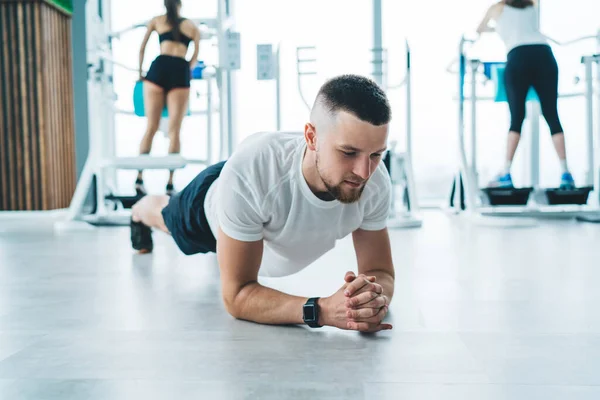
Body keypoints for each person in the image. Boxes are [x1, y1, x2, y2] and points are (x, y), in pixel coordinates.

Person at [130, 74, 395, 333]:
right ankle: (141, 209)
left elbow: (380, 271)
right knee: (166, 219)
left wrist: (370, 300)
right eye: (348, 153)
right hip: (211, 204)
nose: (363, 172)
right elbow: (237, 295)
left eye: (375, 154)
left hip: (254, 192)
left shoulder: (376, 181)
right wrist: (322, 310)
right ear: (312, 137)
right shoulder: (250, 175)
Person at [476, 0, 576, 189]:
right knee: (552, 114)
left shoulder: (497, 8)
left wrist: (494, 28)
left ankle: (506, 172)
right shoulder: (531, 5)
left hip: (518, 55)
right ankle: (566, 172)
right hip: (544, 54)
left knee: (516, 118)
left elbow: (479, 29)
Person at [136, 0, 201, 196]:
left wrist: (141, 73)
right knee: (174, 129)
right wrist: (183, 70)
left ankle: (139, 179)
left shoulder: (157, 20)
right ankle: (170, 185)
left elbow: (142, 49)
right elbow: (194, 58)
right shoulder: (192, 26)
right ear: (180, 4)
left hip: (159, 68)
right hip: (179, 69)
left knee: (151, 126)